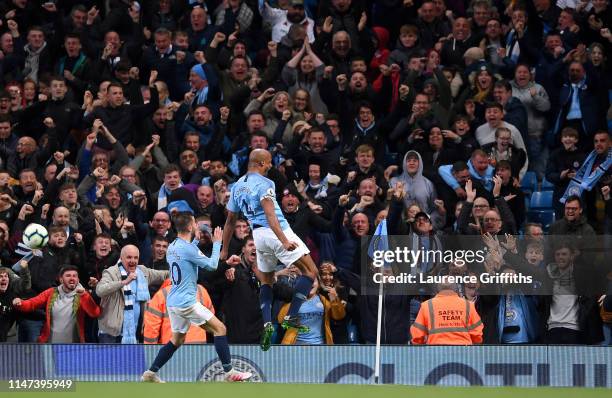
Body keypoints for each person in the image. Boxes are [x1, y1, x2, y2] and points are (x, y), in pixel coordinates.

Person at [221, 149, 318, 351]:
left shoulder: (237, 186)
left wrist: (224, 249)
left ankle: (267, 323)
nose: (271, 167)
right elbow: (270, 214)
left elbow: (230, 221)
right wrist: (283, 240)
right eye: (269, 163)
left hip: (258, 236)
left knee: (267, 280)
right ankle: (291, 316)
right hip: (276, 232)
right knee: (310, 272)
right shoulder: (266, 184)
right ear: (262, 163)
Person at [142, 212, 251, 383]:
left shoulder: (173, 246)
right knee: (220, 329)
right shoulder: (188, 249)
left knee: (177, 339)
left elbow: (187, 259)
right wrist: (217, 244)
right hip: (187, 302)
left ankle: (150, 372)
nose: (196, 226)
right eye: (194, 223)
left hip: (173, 301)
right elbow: (212, 265)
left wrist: (195, 241)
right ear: (190, 226)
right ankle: (229, 372)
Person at [13, 266, 100, 343]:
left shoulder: (83, 294)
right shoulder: (51, 292)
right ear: (61, 279)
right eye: (68, 275)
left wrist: (84, 295)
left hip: (74, 346)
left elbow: (94, 313)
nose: (72, 278)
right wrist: (20, 303)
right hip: (49, 345)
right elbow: (32, 304)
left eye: (74, 276)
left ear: (78, 280)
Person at [410, 281, 484, 345]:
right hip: (463, 352)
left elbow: (417, 336)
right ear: (456, 289)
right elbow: (477, 335)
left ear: (437, 289)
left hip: (436, 352)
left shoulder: (426, 305)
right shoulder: (468, 305)